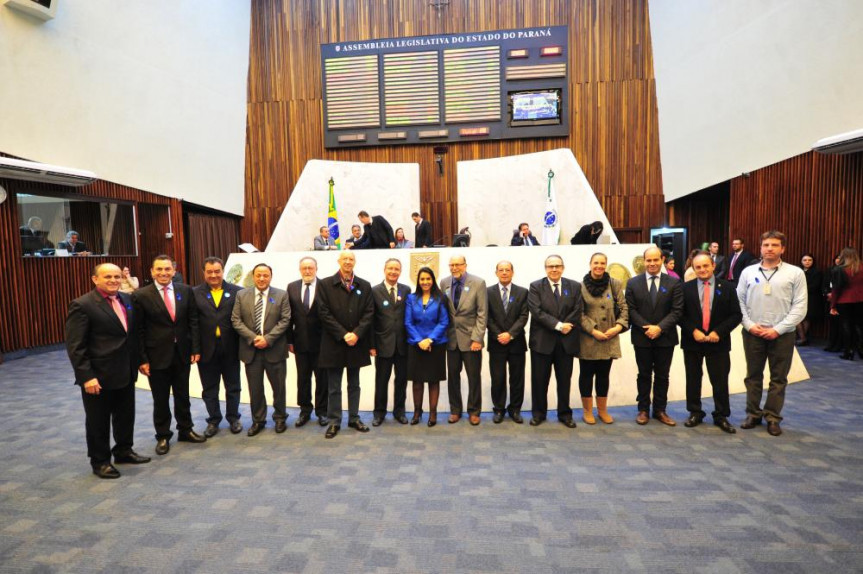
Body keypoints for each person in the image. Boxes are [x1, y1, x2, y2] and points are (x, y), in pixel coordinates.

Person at [65, 263, 151, 478]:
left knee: (125, 415)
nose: (113, 280)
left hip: (126, 371)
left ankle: (123, 450)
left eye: (116, 276)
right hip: (99, 376)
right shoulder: (82, 305)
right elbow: (76, 346)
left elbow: (131, 335)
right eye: (107, 277)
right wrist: (87, 377)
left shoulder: (127, 299)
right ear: (95, 279)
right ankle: (100, 461)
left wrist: (140, 360)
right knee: (98, 421)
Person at [132, 255, 205, 455]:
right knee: (161, 399)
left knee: (183, 395)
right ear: (152, 272)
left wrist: (195, 349)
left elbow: (193, 322)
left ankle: (185, 429)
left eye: (167, 269)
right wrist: (142, 359)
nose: (163, 273)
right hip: (156, 357)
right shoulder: (141, 295)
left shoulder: (185, 291)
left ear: (174, 271)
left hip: (182, 354)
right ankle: (163, 436)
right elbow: (137, 331)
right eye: (159, 270)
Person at [737, 230, 807, 437]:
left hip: (782, 335)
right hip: (753, 333)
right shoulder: (748, 272)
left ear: (782, 248)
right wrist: (749, 324)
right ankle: (753, 413)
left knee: (778, 378)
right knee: (753, 376)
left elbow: (800, 306)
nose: (769, 248)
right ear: (760, 247)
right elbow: (739, 301)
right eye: (766, 245)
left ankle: (773, 417)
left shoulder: (795, 273)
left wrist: (778, 329)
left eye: (774, 245)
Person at [679, 253, 742, 434]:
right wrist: (693, 331)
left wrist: (718, 332)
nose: (702, 270)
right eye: (698, 267)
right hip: (693, 341)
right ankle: (695, 412)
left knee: (720, 380)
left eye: (706, 266)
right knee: (693, 378)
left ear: (713, 265)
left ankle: (721, 415)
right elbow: (679, 315)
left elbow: (736, 315)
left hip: (718, 342)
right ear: (694, 269)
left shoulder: (728, 287)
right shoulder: (686, 288)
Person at [316, 251, 375, 438]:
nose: (348, 262)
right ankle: (334, 421)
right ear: (339, 261)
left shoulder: (364, 285)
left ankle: (354, 418)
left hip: (356, 343)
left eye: (351, 259)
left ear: (355, 262)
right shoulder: (325, 284)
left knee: (354, 384)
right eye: (345, 259)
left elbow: (369, 313)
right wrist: (343, 334)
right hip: (334, 342)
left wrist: (356, 334)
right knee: (334, 386)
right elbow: (323, 313)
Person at [626, 246, 684, 426]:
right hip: (642, 337)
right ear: (644, 262)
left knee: (662, 376)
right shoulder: (633, 283)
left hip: (665, 337)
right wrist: (647, 328)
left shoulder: (673, 283)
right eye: (648, 260)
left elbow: (677, 311)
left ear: (662, 260)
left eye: (655, 260)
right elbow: (631, 310)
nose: (652, 263)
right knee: (643, 375)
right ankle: (643, 409)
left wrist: (659, 328)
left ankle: (660, 410)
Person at [231, 263, 291, 436]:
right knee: (255, 389)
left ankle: (280, 418)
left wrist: (268, 339)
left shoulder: (281, 295)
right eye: (259, 275)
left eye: (266, 275)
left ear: (271, 276)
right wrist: (253, 338)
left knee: (279, 388)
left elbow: (285, 320)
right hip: (251, 351)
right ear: (253, 276)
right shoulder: (241, 295)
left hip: (275, 349)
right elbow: (236, 320)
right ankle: (259, 420)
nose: (262, 278)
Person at [528, 254, 583, 428]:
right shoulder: (536, 286)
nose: (554, 269)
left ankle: (565, 414)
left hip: (566, 342)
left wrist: (567, 325)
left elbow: (578, 309)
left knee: (564, 380)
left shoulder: (574, 286)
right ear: (545, 269)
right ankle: (538, 413)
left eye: (557, 266)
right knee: (539, 381)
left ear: (563, 267)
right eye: (550, 266)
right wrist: (559, 325)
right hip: (542, 342)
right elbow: (536, 312)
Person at [193, 257, 243, 437]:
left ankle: (233, 418)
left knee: (233, 386)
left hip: (231, 348)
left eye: (217, 271)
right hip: (206, 350)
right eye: (209, 272)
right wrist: (195, 349)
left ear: (223, 271)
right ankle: (213, 420)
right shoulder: (195, 293)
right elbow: (193, 324)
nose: (213, 275)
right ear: (204, 273)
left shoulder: (238, 292)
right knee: (209, 388)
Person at [578, 252, 628, 425]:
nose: (599, 266)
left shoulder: (614, 284)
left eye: (602, 263)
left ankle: (602, 410)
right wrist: (593, 330)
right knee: (586, 375)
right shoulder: (581, 286)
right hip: (588, 339)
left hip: (609, 337)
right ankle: (587, 411)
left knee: (603, 375)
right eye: (596, 263)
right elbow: (579, 314)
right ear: (590, 264)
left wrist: (618, 327)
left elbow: (624, 308)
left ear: (606, 265)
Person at [441, 255, 488, 425]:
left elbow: (482, 314)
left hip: (471, 340)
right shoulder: (444, 283)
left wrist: (477, 338)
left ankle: (474, 411)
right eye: (451, 265)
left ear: (465, 265)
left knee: (473, 377)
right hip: (451, 340)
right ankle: (455, 410)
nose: (454, 268)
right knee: (453, 377)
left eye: (458, 265)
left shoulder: (478, 283)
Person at [286, 257, 329, 427]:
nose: (307, 271)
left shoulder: (324, 286)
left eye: (310, 268)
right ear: (300, 269)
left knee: (322, 379)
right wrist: (289, 340)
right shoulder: (292, 287)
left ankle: (322, 411)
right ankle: (305, 410)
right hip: (300, 342)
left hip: (321, 343)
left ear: (316, 268)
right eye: (304, 268)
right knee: (303, 379)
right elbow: (288, 317)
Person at [405, 267, 449, 426]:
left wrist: (429, 340)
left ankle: (433, 413)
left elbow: (444, 322)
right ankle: (417, 412)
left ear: (433, 280)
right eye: (422, 279)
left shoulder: (441, 298)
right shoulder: (411, 298)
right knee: (417, 381)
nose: (425, 282)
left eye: (428, 279)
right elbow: (408, 322)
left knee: (433, 380)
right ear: (418, 281)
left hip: (436, 344)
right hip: (415, 344)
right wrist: (420, 340)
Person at [486, 260, 529, 424]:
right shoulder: (488, 292)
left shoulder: (522, 292)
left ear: (512, 272)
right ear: (496, 272)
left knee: (517, 378)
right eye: (501, 270)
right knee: (498, 378)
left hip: (516, 342)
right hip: (496, 342)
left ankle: (515, 409)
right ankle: (498, 409)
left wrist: (510, 334)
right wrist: (500, 334)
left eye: (507, 270)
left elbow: (524, 316)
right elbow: (487, 316)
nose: (504, 273)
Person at [370, 258, 411, 426]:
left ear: (400, 272)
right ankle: (379, 413)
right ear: (384, 270)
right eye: (390, 269)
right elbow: (371, 320)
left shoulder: (406, 290)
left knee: (401, 380)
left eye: (396, 269)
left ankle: (399, 411)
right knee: (381, 381)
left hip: (403, 345)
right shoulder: (374, 291)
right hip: (382, 345)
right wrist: (372, 345)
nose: (393, 272)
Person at [829, 246, 863, 360]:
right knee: (859, 325)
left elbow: (836, 289)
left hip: (844, 300)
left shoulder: (839, 270)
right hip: (860, 300)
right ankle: (861, 350)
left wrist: (832, 306)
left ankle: (849, 351)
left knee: (846, 326)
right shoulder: (861, 267)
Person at [796, 253, 823, 346]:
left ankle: (802, 338)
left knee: (807, 318)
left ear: (813, 261)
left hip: (811, 298)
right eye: (805, 260)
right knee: (797, 317)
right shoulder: (797, 271)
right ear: (801, 261)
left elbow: (815, 286)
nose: (807, 262)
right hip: (798, 297)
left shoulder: (817, 272)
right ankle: (803, 338)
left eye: (809, 260)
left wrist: (801, 288)